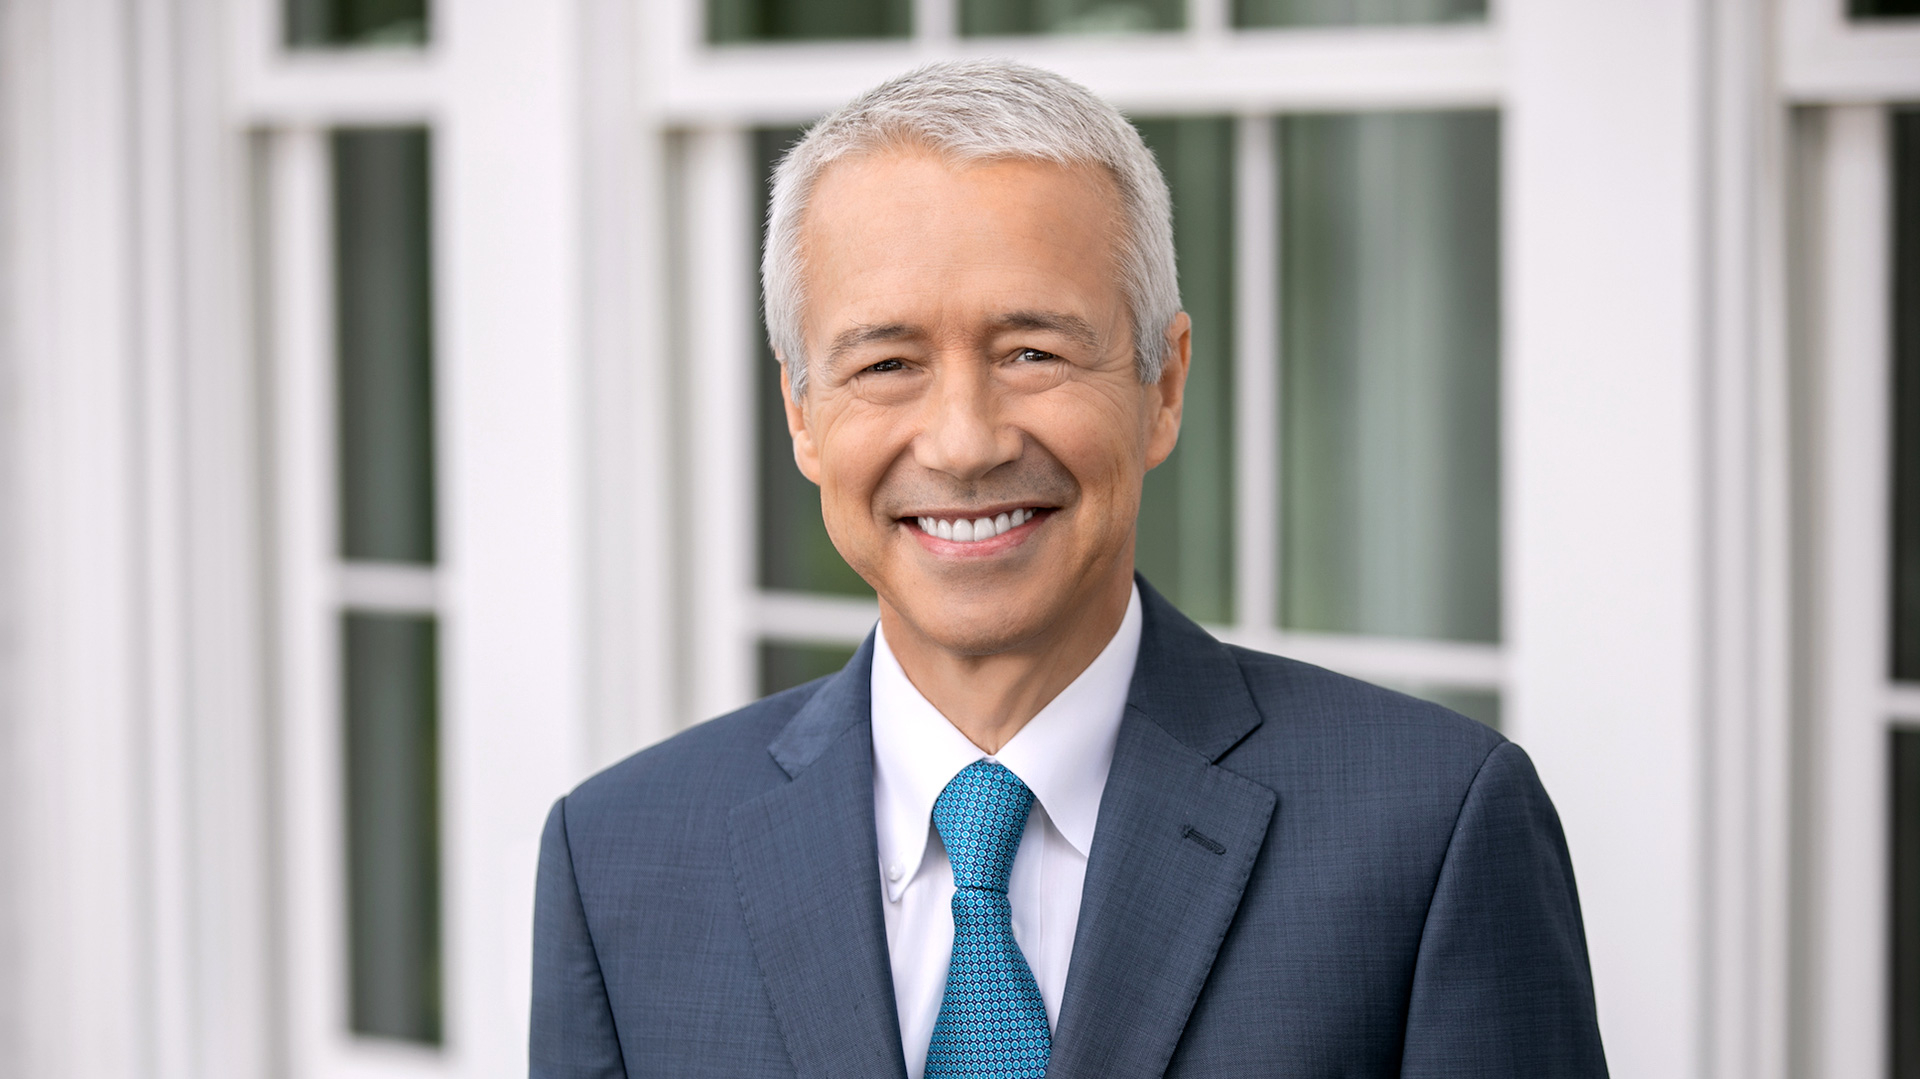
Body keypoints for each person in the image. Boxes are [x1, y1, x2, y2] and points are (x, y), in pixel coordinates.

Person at [531, 59, 1606, 1078]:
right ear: (802, 414)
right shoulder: (617, 859)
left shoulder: (1432, 830)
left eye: (1032, 352)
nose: (963, 441)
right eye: (887, 363)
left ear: (1165, 384)